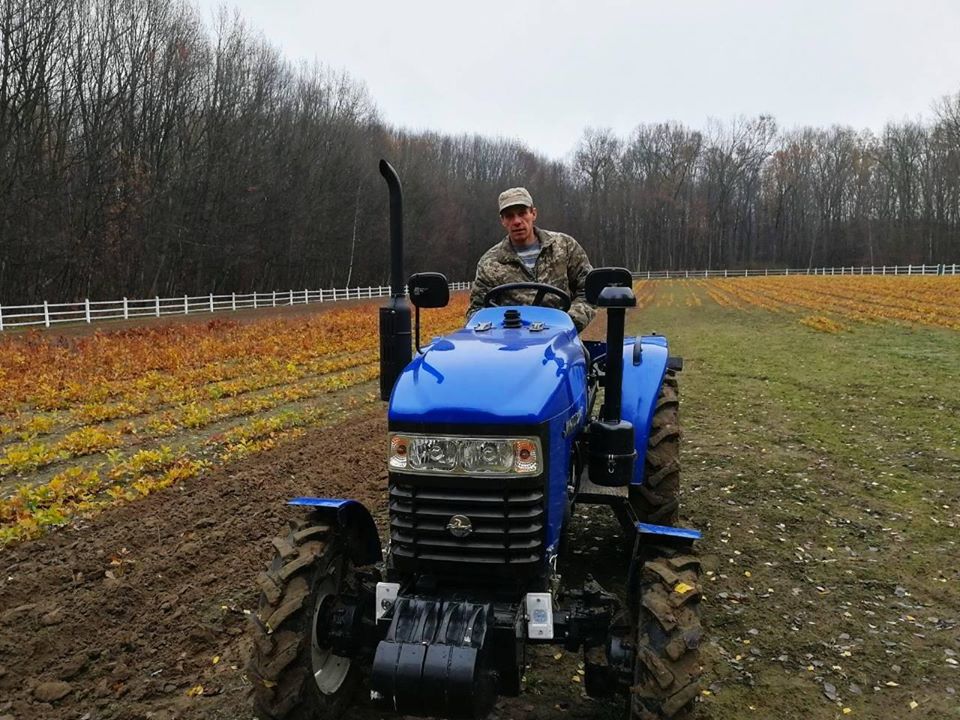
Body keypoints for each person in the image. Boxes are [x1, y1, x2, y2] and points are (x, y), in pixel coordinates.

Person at [466, 187, 596, 332]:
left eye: (522, 213)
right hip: (512, 343)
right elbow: (477, 311)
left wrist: (568, 322)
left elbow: (589, 290)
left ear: (533, 213)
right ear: (503, 221)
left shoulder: (564, 246)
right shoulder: (490, 262)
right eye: (509, 216)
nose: (517, 221)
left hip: (563, 337)